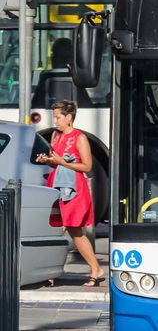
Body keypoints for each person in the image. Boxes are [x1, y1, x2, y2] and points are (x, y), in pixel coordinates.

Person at [35, 100, 104, 287]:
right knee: (56, 228)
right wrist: (48, 160)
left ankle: (95, 269)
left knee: (74, 230)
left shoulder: (80, 138)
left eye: (58, 117)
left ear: (69, 117)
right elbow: (56, 161)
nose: (55, 121)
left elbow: (87, 166)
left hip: (74, 189)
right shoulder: (56, 136)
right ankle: (51, 272)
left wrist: (62, 162)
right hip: (57, 184)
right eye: (54, 117)